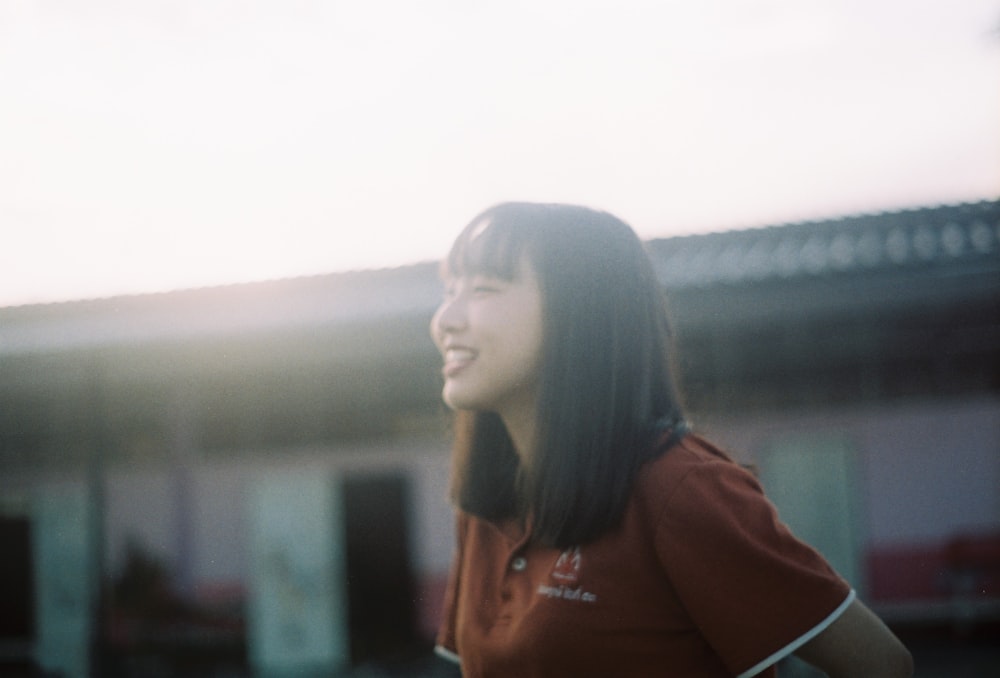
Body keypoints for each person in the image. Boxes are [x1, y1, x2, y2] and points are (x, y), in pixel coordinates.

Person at [429, 202, 913, 677]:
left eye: (484, 288)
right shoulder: (485, 508)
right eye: (450, 289)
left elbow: (882, 664)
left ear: (578, 312)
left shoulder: (679, 489)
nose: (445, 320)